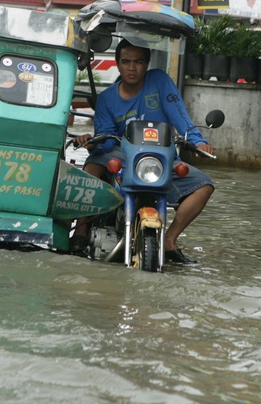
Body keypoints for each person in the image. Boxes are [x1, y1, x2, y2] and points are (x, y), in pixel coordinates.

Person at [72, 39, 214, 264]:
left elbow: (180, 116)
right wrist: (94, 143)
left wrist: (196, 141)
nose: (132, 67)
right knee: (92, 165)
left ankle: (169, 240)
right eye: (126, 61)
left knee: (204, 186)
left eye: (138, 62)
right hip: (122, 153)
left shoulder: (159, 81)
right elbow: (107, 137)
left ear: (147, 64)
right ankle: (80, 230)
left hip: (161, 157)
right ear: (117, 64)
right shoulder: (107, 98)